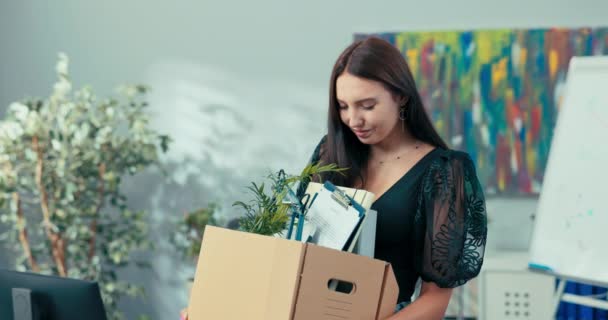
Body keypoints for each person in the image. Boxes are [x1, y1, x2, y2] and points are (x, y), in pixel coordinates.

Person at [182, 36, 487, 320]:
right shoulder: (331, 152)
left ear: (401, 97)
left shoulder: (445, 172)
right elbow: (289, 247)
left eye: (367, 105)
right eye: (343, 106)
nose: (354, 120)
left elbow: (435, 301)